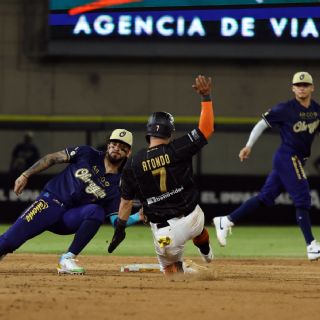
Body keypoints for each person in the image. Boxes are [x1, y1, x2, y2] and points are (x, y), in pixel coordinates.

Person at [108, 75, 214, 274]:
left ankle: (190, 272)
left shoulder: (133, 163)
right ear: (170, 133)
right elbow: (206, 129)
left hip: (166, 233)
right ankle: (207, 253)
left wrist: (120, 228)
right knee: (199, 229)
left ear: (148, 133)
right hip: (194, 217)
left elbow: (125, 203)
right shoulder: (178, 148)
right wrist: (206, 96)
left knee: (171, 271)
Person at [0, 129, 142, 274]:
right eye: (114, 144)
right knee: (8, 242)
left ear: (128, 152)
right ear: (108, 145)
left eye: (122, 146)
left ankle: (67, 259)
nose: (117, 148)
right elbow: (52, 158)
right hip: (49, 204)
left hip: (69, 219)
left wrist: (139, 216)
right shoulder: (87, 154)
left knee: (96, 211)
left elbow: (115, 221)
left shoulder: (118, 184)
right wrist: (25, 174)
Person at [213, 71, 320, 261]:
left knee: (265, 197)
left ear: (312, 87)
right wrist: (248, 146)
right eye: (298, 85)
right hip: (288, 156)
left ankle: (226, 220)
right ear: (293, 88)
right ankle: (311, 245)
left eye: (305, 85)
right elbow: (262, 124)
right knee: (303, 197)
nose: (302, 88)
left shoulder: (317, 110)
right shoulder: (285, 108)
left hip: (297, 158)